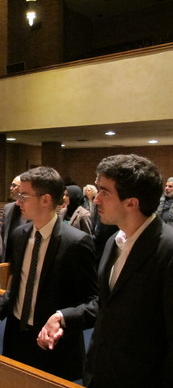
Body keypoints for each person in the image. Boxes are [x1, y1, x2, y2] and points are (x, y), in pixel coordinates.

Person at [38, 154, 173, 387]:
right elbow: (107, 304)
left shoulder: (168, 250)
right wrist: (63, 317)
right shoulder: (114, 240)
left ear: (131, 203)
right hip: (100, 373)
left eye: (105, 192)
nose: (96, 199)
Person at [0, 166, 98, 381]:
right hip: (16, 337)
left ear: (45, 199)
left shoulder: (76, 243)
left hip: (53, 346)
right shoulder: (20, 235)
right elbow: (19, 286)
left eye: (23, 195)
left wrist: (62, 318)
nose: (17, 201)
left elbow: (94, 303)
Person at [1, 175, 26, 261]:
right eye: (11, 185)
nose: (11, 188)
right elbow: (3, 234)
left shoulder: (30, 209)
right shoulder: (7, 208)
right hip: (7, 258)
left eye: (14, 185)